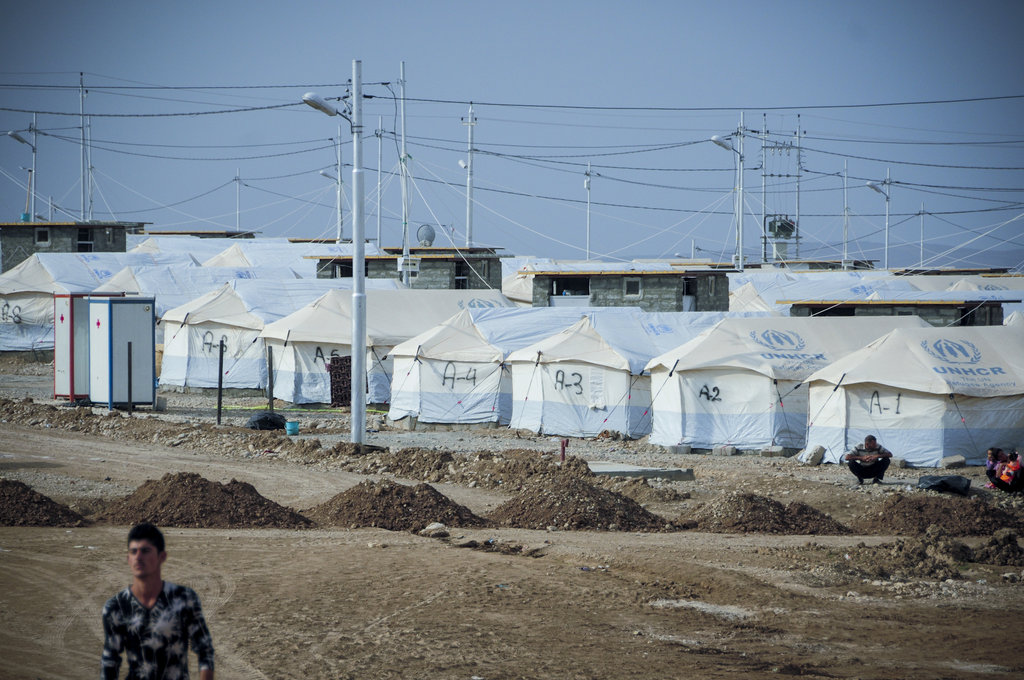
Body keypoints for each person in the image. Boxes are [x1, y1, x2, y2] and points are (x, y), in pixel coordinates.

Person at [102, 522, 214, 680]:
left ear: (162, 556)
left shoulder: (183, 599)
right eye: (134, 551)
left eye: (145, 551)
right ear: (128, 558)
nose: (138, 558)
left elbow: (205, 649)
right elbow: (110, 661)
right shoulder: (117, 606)